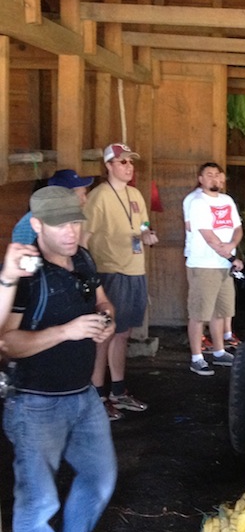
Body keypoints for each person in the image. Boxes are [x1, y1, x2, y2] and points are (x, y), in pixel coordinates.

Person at [2, 186, 117, 532]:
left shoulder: (81, 258)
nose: (70, 232)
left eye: (75, 222)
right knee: (38, 503)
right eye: (59, 225)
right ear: (37, 225)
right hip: (35, 402)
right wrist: (68, 332)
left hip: (83, 396)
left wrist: (107, 320)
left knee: (100, 479)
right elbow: (7, 343)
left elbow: (100, 299)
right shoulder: (26, 274)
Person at [82, 143, 157, 420]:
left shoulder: (136, 193)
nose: (128, 166)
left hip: (136, 269)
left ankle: (118, 390)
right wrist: (84, 272)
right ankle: (97, 394)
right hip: (110, 271)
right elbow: (84, 237)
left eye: (130, 162)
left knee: (123, 334)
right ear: (108, 166)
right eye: (122, 162)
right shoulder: (99, 196)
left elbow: (144, 225)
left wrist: (148, 234)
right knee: (106, 335)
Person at [185, 162, 244, 376]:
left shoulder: (227, 200)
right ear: (201, 179)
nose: (214, 178)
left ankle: (219, 351)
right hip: (204, 264)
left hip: (223, 264)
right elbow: (208, 236)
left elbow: (238, 228)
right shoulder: (197, 202)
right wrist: (230, 255)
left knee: (221, 311)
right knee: (199, 313)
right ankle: (196, 357)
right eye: (208, 175)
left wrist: (232, 247)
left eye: (217, 175)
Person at [12, 169, 94, 244]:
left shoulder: (71, 218)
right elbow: (24, 256)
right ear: (66, 196)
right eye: (81, 195)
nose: (85, 200)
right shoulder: (27, 224)